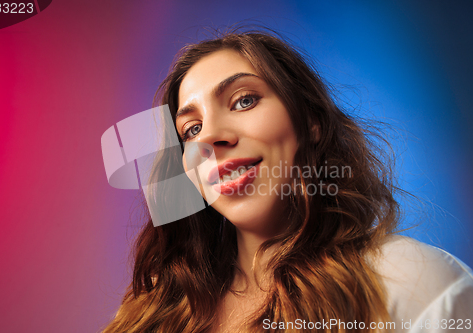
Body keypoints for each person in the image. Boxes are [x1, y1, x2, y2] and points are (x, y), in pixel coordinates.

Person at [102, 30, 473, 332]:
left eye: (244, 101)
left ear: (310, 122)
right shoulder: (150, 309)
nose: (210, 138)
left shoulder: (417, 286)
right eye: (191, 129)